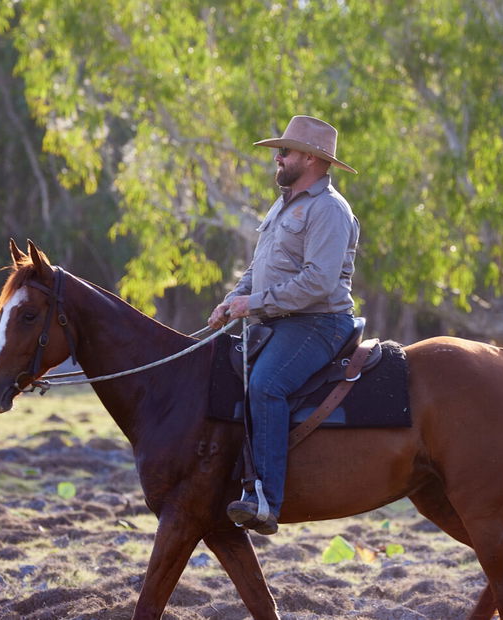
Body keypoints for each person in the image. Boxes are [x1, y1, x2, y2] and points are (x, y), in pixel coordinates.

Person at [207, 115, 359, 535]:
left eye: (285, 151)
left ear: (310, 159)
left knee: (266, 385)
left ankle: (264, 498)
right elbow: (260, 268)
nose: (277, 157)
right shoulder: (286, 203)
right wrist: (231, 300)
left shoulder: (328, 210)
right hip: (280, 319)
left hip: (318, 322)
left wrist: (251, 304)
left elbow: (317, 282)